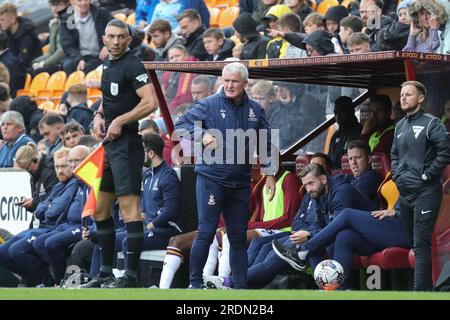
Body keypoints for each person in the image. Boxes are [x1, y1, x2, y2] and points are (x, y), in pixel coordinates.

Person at [175, 62, 277, 289]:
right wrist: (201, 134)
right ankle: (194, 284)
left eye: (235, 81)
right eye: (227, 81)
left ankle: (240, 288)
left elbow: (267, 142)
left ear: (245, 84)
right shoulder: (209, 104)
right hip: (211, 179)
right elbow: (181, 124)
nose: (230, 85)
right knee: (207, 232)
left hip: (240, 182)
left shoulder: (255, 110)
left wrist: (270, 173)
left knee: (238, 236)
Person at [87, 19, 158, 288]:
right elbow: (109, 96)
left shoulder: (133, 65)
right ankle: (104, 273)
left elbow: (149, 102)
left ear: (129, 40)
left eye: (121, 37)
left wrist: (119, 122)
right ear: (104, 39)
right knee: (101, 211)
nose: (116, 41)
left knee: (129, 211)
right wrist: (100, 114)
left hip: (127, 145)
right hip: (109, 146)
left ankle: (129, 276)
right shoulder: (108, 63)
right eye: (112, 37)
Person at [391, 80, 450, 291]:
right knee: (413, 243)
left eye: (408, 94)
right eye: (401, 95)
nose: (403, 98)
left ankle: (419, 292)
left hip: (426, 191)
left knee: (421, 243)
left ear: (420, 98)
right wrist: (397, 175)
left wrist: (428, 175)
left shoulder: (432, 123)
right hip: (405, 193)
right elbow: (394, 154)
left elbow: (445, 151)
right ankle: (423, 289)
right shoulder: (399, 126)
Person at [14, 143, 58, 213]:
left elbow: (54, 197)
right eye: (25, 169)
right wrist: (30, 203)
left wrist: (33, 202)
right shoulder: (34, 174)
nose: (28, 171)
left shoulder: (51, 169)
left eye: (28, 167)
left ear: (35, 160)